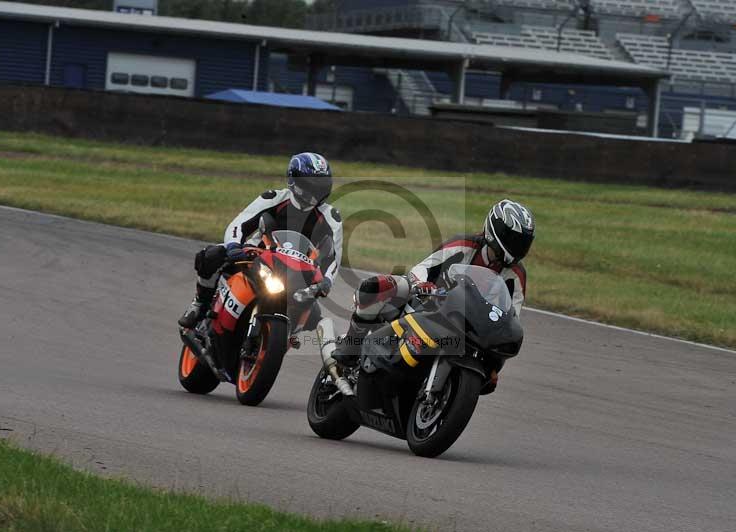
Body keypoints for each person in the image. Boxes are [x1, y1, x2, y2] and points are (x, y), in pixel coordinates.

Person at [335, 199, 535, 393]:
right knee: (379, 286)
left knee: (491, 374)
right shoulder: (464, 244)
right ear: (495, 231)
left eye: (524, 242)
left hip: (468, 325)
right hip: (429, 301)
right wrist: (421, 284)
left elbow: (511, 316)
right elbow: (424, 267)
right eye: (514, 240)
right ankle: (351, 346)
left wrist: (495, 365)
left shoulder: (516, 275)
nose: (519, 247)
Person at [178, 152, 342, 330]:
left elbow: (333, 257)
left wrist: (326, 281)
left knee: (315, 314)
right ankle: (200, 304)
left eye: (321, 186)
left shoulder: (331, 217)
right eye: (311, 185)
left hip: (297, 273)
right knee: (211, 255)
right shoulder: (273, 198)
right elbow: (239, 224)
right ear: (294, 181)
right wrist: (234, 246)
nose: (316, 192)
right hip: (257, 258)